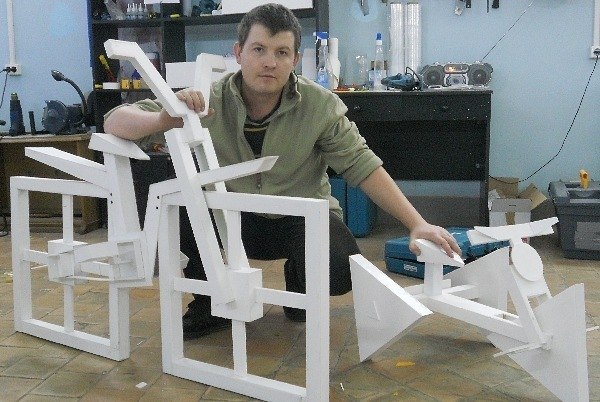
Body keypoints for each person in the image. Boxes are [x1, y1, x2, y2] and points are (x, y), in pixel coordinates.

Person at [104, 3, 461, 339]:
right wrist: (164, 118)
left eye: (281, 52)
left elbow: (362, 164)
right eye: (258, 49)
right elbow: (114, 121)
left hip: (299, 216)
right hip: (230, 217)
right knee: (179, 208)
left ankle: (300, 280)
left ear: (295, 59)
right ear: (238, 52)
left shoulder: (320, 105)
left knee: (339, 271)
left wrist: (416, 223)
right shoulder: (207, 98)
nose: (269, 62)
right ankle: (212, 301)